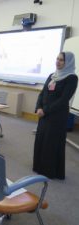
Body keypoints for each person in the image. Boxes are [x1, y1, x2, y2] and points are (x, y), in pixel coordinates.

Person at [33, 52, 78, 180]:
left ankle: (49, 171)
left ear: (68, 62)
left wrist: (45, 110)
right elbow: (42, 94)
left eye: (61, 60)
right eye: (57, 59)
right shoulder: (52, 76)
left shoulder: (72, 78)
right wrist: (38, 107)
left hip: (57, 117)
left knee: (51, 143)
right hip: (44, 115)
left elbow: (63, 100)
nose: (58, 62)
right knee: (41, 140)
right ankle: (39, 167)